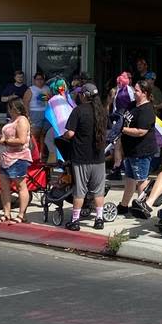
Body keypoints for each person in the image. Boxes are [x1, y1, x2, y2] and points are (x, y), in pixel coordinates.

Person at [63, 82, 108, 230]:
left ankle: (75, 221)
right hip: (99, 158)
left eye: (80, 94)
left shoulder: (78, 111)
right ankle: (99, 219)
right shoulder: (102, 112)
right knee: (98, 190)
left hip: (81, 157)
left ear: (84, 96)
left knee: (80, 190)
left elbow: (70, 133)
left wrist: (63, 135)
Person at [119, 79, 158, 218]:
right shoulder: (132, 105)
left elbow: (141, 131)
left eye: (136, 90)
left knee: (141, 180)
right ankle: (124, 206)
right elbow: (124, 118)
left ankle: (142, 208)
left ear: (145, 93)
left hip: (141, 151)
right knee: (130, 179)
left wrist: (122, 129)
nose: (133, 92)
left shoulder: (147, 110)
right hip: (130, 151)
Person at [0, 98, 33, 223]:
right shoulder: (11, 120)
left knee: (20, 186)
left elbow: (21, 140)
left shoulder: (22, 120)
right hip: (6, 157)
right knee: (4, 186)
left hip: (18, 158)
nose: (9, 110)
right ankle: (7, 213)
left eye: (10, 108)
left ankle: (21, 214)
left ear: (16, 108)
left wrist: (5, 141)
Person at [26, 71, 50, 158]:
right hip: (34, 113)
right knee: (34, 134)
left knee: (43, 134)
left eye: (42, 79)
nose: (40, 81)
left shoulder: (47, 88)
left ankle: (41, 154)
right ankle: (32, 154)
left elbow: (50, 99)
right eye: (38, 79)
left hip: (46, 113)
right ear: (34, 80)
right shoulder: (30, 89)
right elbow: (25, 103)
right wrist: (27, 116)